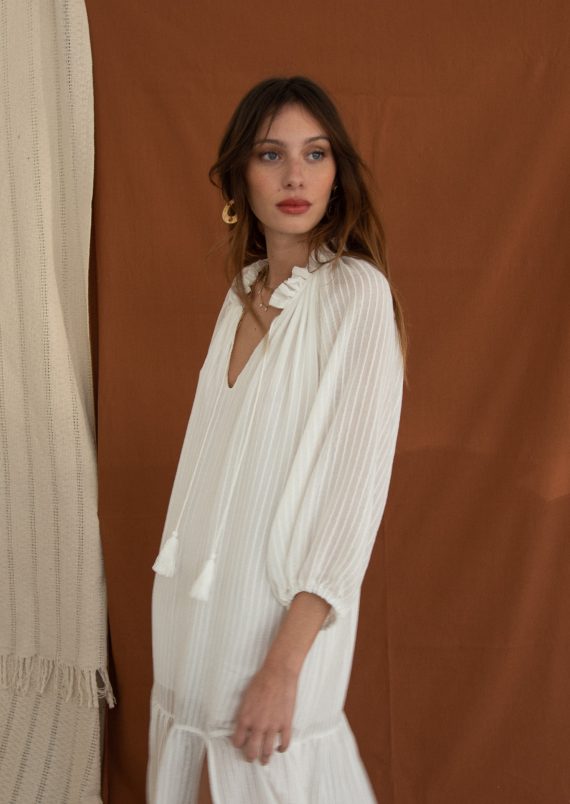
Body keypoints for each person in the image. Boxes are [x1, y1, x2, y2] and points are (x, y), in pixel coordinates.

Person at [147, 75, 407, 804]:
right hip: (191, 621)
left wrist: (284, 667)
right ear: (240, 178)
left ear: (337, 173)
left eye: (315, 154)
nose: (296, 175)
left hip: (275, 632)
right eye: (271, 154)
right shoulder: (241, 297)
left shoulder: (356, 295)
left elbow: (352, 501)